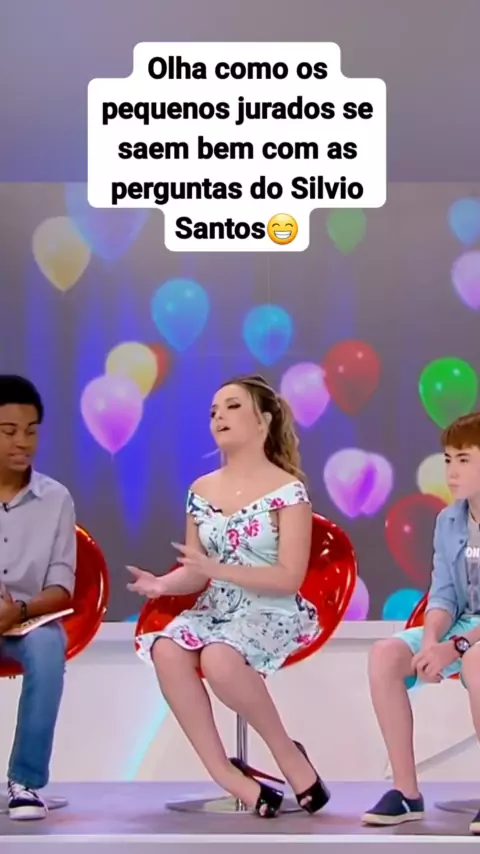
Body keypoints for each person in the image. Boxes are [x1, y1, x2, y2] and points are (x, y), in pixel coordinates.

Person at [127, 374, 330, 818]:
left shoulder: (289, 491)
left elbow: (289, 578)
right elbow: (195, 572)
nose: (219, 416)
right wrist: (162, 584)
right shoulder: (200, 490)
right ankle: (227, 775)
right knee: (165, 648)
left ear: (264, 421)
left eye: (233, 406)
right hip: (217, 609)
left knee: (219, 658)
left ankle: (287, 754)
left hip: (271, 608)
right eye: (213, 410)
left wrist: (216, 570)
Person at [363, 412, 480, 835]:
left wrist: (457, 647)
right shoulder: (449, 520)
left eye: (464, 459)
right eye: (448, 459)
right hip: (461, 625)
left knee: (476, 661)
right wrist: (431, 640)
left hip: (473, 641)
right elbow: (443, 593)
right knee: (385, 655)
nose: (451, 472)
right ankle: (406, 792)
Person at [0, 375, 76, 821]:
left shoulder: (56, 499)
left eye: (30, 431)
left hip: (26, 623)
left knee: (48, 644)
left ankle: (25, 782)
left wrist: (20, 611)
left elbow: (61, 588)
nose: (22, 442)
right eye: (9, 431)